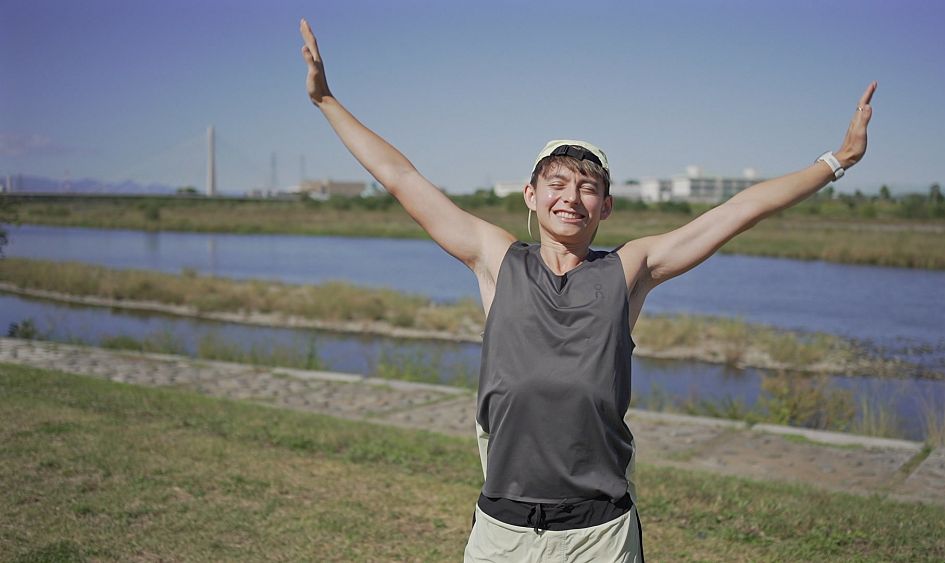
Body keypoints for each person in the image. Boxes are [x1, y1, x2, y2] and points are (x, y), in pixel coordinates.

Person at [299, 18, 876, 562]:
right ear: (531, 196)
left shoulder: (629, 268)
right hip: (502, 531)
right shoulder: (497, 259)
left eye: (587, 187)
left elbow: (739, 211)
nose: (571, 197)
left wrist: (838, 160)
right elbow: (401, 177)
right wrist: (326, 101)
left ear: (606, 206)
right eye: (557, 184)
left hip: (598, 535)